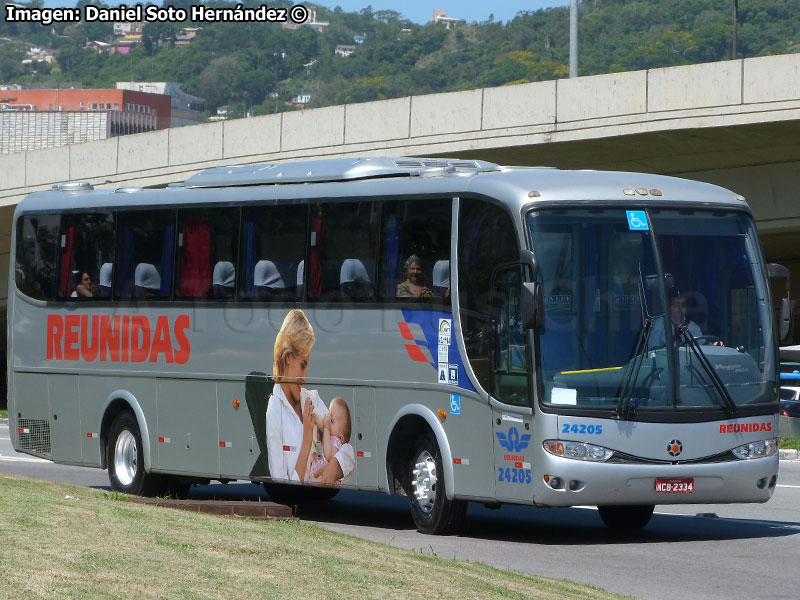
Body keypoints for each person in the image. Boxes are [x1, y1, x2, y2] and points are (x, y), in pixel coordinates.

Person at [265, 309, 355, 484]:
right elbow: (281, 482)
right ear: (288, 357)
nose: (305, 378)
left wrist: (335, 466)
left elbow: (346, 448)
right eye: (302, 365)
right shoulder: (275, 410)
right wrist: (307, 437)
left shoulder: (311, 398)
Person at [649, 290, 721, 347]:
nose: (680, 308)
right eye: (676, 305)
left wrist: (713, 346)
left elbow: (702, 349)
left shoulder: (693, 327)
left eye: (683, 305)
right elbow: (652, 349)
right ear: (669, 307)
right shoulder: (659, 323)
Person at [306, 396, 353, 483]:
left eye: (331, 420)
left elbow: (328, 454)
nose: (327, 419)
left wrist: (326, 428)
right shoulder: (331, 438)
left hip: (324, 477)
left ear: (341, 437)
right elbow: (322, 452)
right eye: (328, 413)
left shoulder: (336, 441)